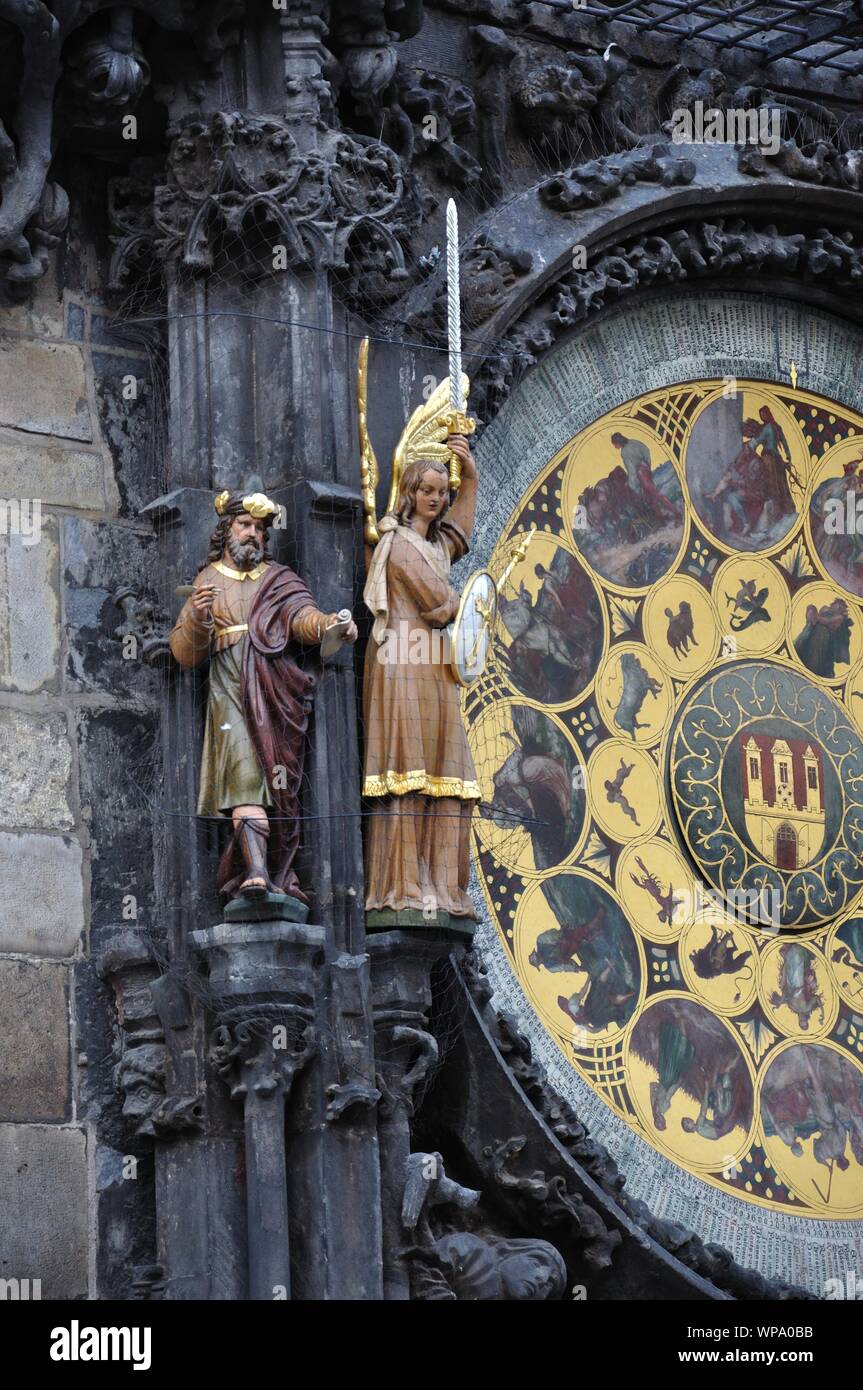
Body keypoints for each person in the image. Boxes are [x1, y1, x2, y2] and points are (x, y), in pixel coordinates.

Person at [170, 484, 357, 902]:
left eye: (258, 527)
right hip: (230, 692)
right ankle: (255, 872)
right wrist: (199, 619)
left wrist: (331, 624)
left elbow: (302, 619)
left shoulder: (279, 580)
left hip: (275, 693)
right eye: (243, 525)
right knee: (244, 777)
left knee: (280, 787)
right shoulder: (206, 582)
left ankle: (273, 870)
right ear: (226, 530)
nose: (252, 533)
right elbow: (183, 654)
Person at [362, 435, 480, 924]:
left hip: (433, 664)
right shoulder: (398, 546)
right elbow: (440, 602)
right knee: (409, 769)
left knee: (447, 772)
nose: (435, 499)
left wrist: (469, 476)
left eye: (442, 492)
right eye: (427, 490)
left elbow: (457, 535)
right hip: (405, 660)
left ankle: (443, 886)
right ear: (409, 491)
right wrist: (470, 602)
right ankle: (402, 884)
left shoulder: (432, 544)